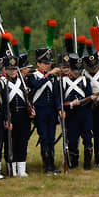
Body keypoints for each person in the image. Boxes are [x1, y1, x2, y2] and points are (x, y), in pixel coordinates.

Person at [28, 44, 62, 174]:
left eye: (49, 63)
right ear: (38, 63)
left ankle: (52, 164)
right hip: (40, 111)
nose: (48, 65)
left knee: (51, 138)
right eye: (45, 63)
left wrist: (59, 108)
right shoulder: (33, 75)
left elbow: (56, 95)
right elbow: (36, 85)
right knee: (44, 137)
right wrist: (49, 75)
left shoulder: (52, 76)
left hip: (51, 111)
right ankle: (46, 165)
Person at [61, 53, 96, 169]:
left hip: (85, 114)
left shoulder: (85, 80)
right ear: (69, 68)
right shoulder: (63, 81)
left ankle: (87, 164)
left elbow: (90, 97)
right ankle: (73, 163)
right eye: (74, 70)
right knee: (72, 139)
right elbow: (60, 102)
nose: (76, 73)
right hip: (72, 115)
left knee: (87, 139)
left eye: (78, 70)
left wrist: (92, 99)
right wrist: (71, 104)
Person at [3, 53, 33, 177]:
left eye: (15, 69)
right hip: (11, 115)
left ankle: (21, 168)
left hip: (23, 116)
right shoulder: (3, 82)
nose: (13, 71)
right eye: (10, 69)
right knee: (11, 142)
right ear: (5, 69)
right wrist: (6, 118)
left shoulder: (23, 82)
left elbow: (28, 99)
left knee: (23, 142)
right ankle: (12, 168)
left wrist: (31, 109)